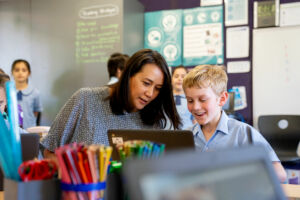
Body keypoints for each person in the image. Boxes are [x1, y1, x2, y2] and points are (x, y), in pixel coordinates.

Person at [41, 48, 181, 159]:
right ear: (128, 76)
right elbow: (48, 150)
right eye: (146, 83)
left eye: (157, 89)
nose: (150, 93)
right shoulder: (86, 99)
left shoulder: (152, 120)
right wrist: (73, 176)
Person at [182, 65, 287, 182]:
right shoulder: (186, 135)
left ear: (222, 99)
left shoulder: (243, 133)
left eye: (203, 99)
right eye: (190, 100)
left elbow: (279, 174)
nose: (195, 107)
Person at [11, 59, 43, 129]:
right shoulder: (8, 92)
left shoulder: (35, 92)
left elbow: (36, 112)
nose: (20, 73)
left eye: (24, 70)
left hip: (30, 130)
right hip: (12, 131)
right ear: (12, 73)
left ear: (29, 73)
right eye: (17, 70)